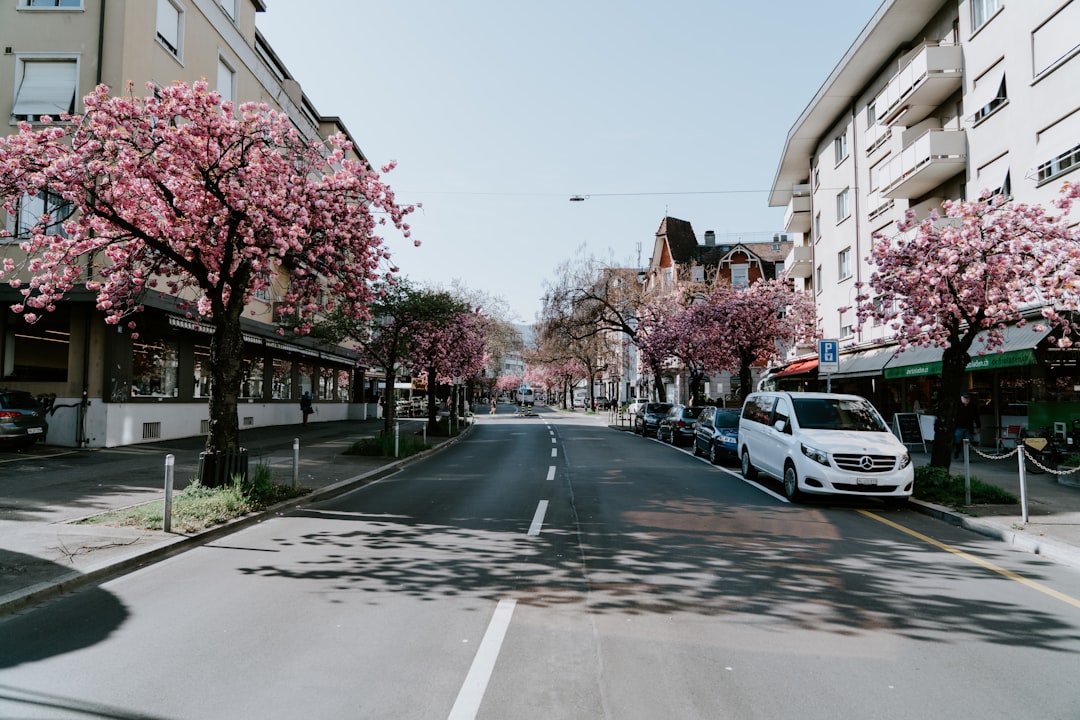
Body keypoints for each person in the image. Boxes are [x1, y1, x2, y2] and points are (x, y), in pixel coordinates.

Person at [954, 392, 980, 459]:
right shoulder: (957, 406)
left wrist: (978, 426)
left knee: (968, 442)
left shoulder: (973, 406)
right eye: (965, 398)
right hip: (959, 426)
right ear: (961, 398)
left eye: (967, 398)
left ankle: (966, 457)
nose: (966, 400)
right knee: (958, 440)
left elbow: (976, 417)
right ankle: (957, 450)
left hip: (969, 427)